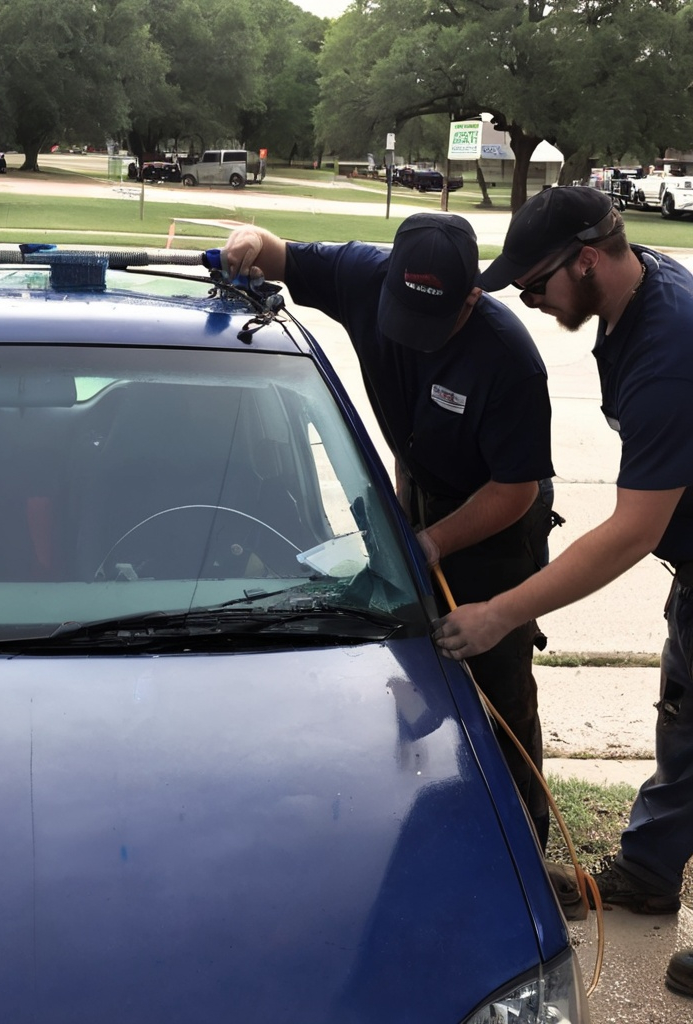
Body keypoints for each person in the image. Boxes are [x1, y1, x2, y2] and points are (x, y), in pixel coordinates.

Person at [222, 214, 558, 848]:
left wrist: (430, 544)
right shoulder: (361, 275)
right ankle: (420, 805)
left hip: (493, 519)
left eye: (435, 326)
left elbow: (516, 490)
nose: (416, 341)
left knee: (495, 682)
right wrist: (249, 244)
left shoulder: (508, 359)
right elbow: (274, 249)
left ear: (473, 296)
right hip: (418, 495)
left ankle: (524, 852)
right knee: (406, 665)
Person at [431, 186, 693, 995]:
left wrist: (501, 612)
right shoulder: (631, 305)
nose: (529, 298)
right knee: (685, 715)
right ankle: (648, 871)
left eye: (537, 282)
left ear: (586, 259)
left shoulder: (669, 351)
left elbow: (630, 531)